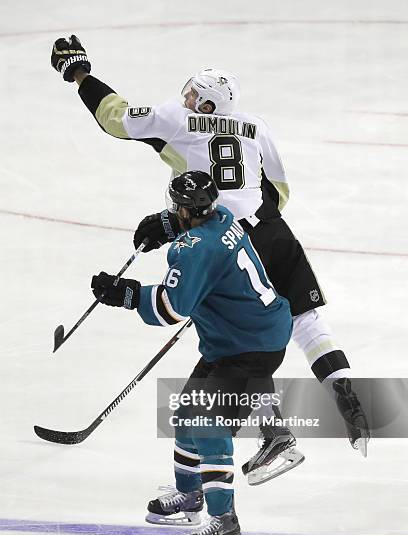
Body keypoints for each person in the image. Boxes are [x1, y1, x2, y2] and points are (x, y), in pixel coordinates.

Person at [51, 36, 370, 483]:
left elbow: (114, 119)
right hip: (273, 231)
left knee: (236, 341)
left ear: (203, 104)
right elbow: (278, 190)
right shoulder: (256, 125)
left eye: (192, 96)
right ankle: (343, 389)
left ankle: (275, 436)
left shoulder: (179, 119)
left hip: (225, 240)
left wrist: (80, 73)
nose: (185, 98)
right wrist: (253, 221)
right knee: (303, 317)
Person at [90, 170, 293, 535]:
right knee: (186, 414)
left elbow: (171, 308)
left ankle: (225, 525)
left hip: (248, 346)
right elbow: (201, 229)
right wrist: (165, 225)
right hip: (244, 336)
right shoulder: (224, 220)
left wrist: (125, 293)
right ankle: (189, 495)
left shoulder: (195, 250)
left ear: (183, 208)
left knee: (206, 422)